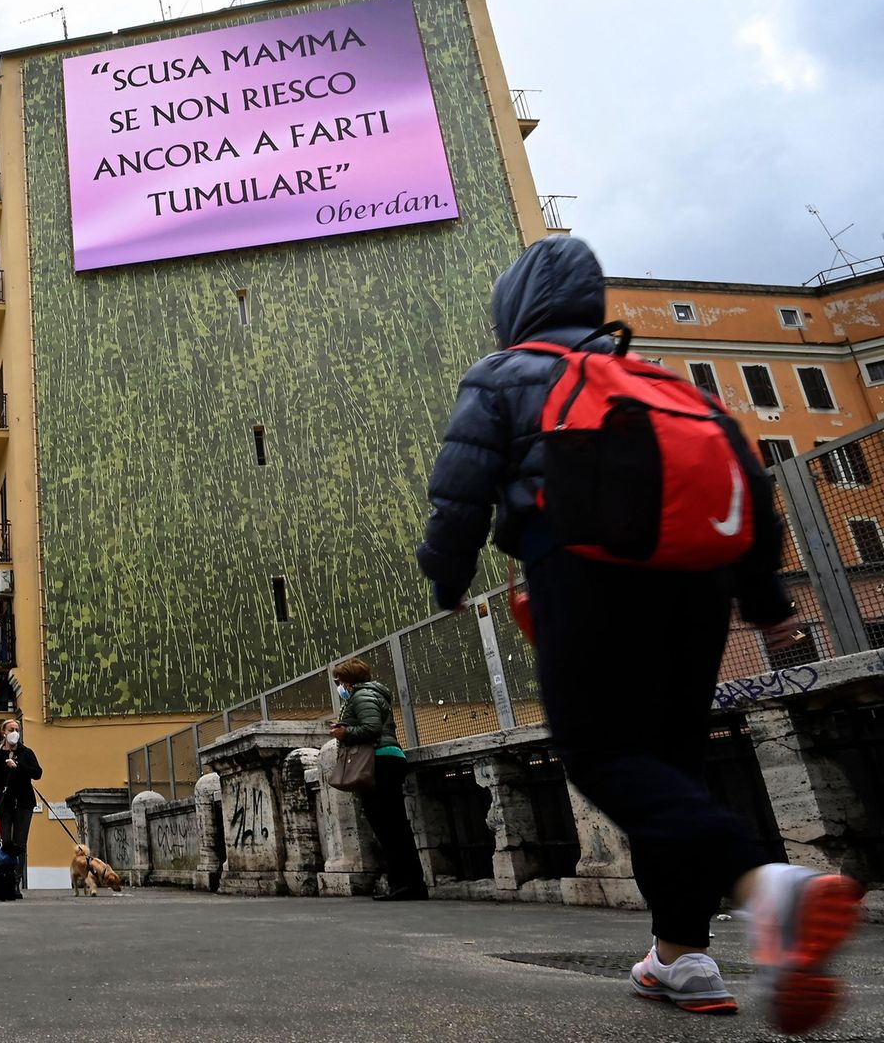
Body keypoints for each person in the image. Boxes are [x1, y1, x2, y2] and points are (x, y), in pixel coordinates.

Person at [416, 235, 862, 1033]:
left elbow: (460, 492)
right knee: (673, 773)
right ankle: (682, 956)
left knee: (601, 754)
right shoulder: (657, 378)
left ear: (514, 307)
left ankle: (771, 888)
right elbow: (748, 484)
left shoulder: (504, 374)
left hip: (584, 572)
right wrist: (766, 602)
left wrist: (447, 578)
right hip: (697, 590)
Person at [328, 656, 426, 901]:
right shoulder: (370, 695)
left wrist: (345, 732)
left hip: (379, 761)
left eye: (340, 679)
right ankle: (409, 884)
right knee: (394, 825)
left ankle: (405, 885)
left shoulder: (362, 696)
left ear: (349, 678)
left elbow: (371, 727)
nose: (338, 684)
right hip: (385, 760)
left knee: (387, 826)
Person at [0, 718, 42, 901]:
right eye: (11, 729)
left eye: (17, 729)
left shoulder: (26, 753)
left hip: (24, 803)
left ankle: (15, 882)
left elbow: (37, 773)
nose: (15, 731)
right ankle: (4, 881)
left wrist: (19, 766)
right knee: (5, 842)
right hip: (3, 803)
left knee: (20, 843)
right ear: (4, 732)